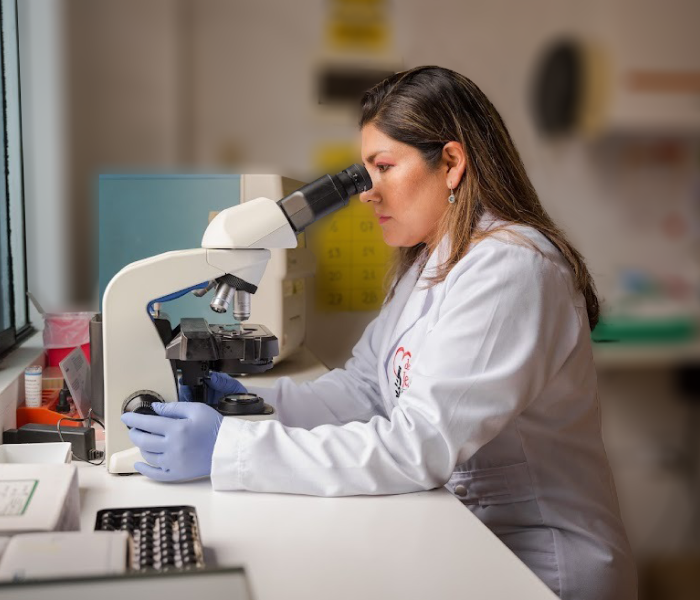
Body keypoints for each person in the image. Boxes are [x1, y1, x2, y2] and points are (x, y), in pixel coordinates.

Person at [122, 66, 637, 599]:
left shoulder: (512, 266)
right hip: (464, 534)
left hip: (538, 564)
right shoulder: (429, 263)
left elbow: (419, 445)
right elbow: (365, 388)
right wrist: (254, 404)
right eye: (365, 171)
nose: (367, 191)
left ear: (453, 164)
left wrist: (229, 450)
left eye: (384, 167)